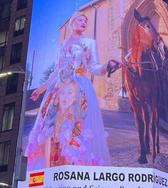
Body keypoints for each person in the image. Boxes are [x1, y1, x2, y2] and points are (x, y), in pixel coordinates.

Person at [25, 12, 113, 170]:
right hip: (59, 88)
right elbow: (56, 72)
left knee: (77, 127)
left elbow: (94, 67)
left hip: (79, 88)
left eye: (86, 20)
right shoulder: (63, 45)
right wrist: (40, 90)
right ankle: (54, 164)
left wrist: (107, 66)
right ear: (72, 23)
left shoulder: (89, 42)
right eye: (80, 19)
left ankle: (76, 164)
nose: (83, 22)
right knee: (53, 127)